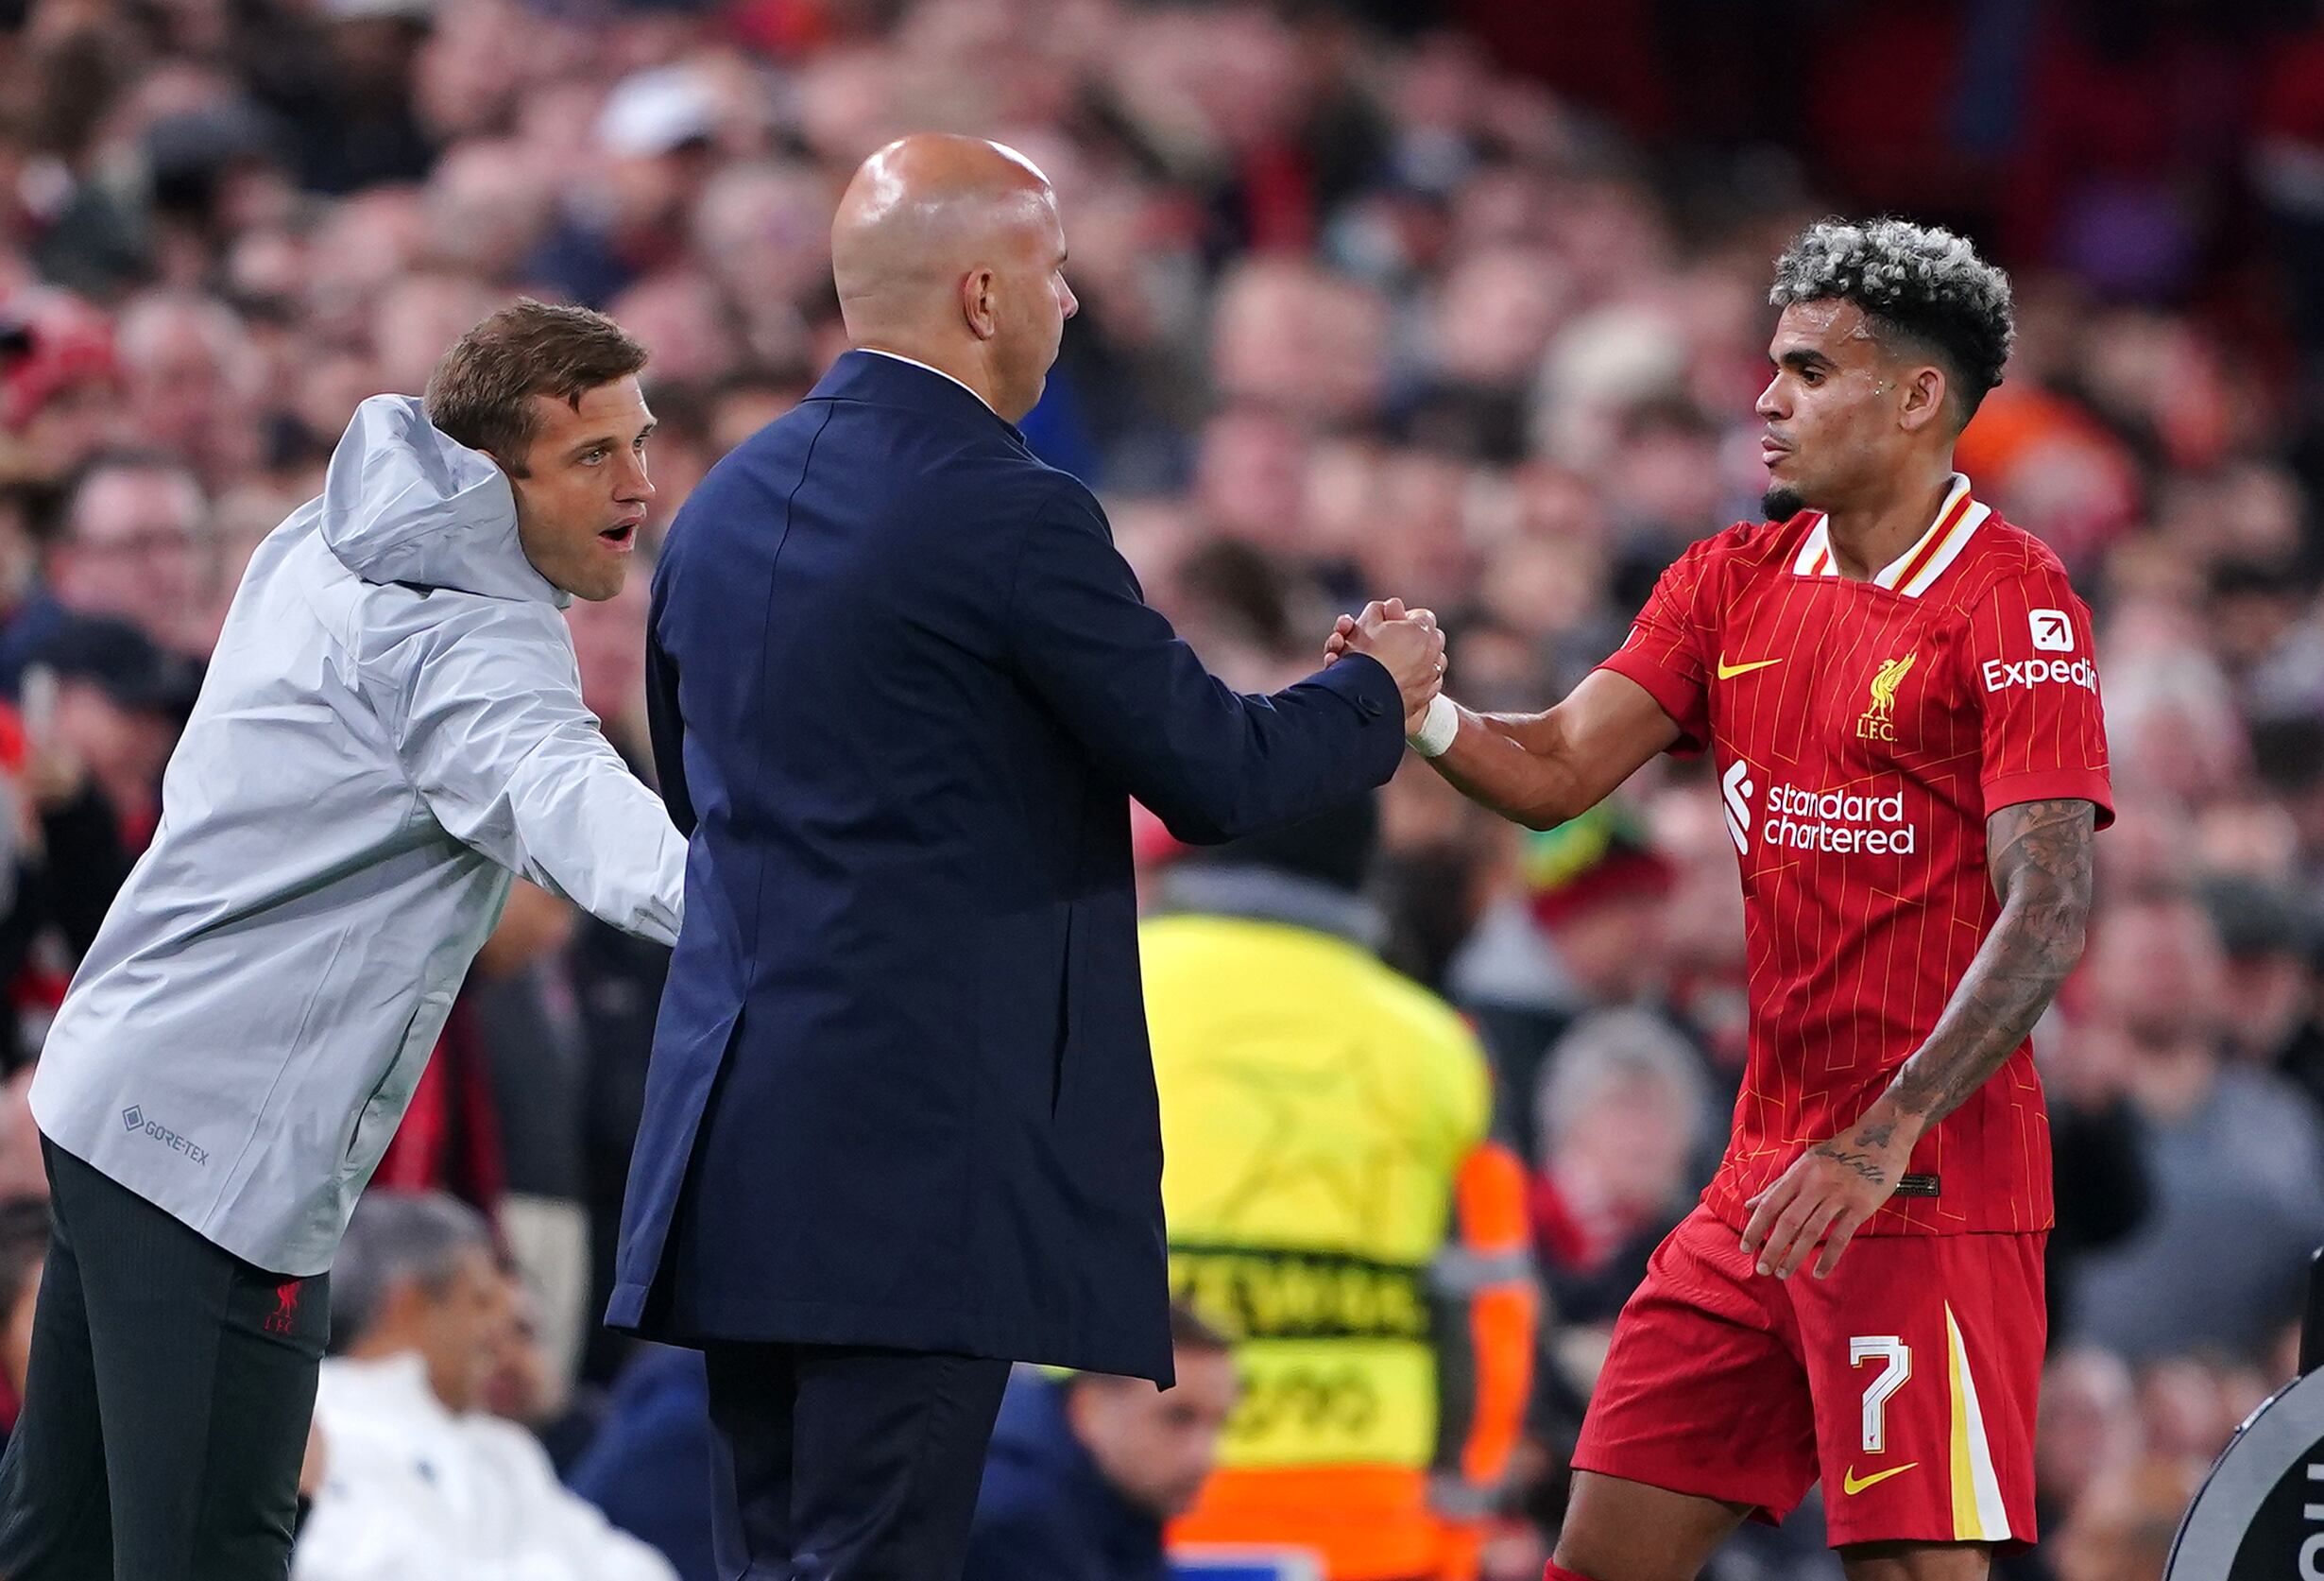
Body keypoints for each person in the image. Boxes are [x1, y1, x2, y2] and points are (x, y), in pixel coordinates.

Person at [608, 132, 1444, 1581]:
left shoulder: (720, 506)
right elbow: (1216, 771)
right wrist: (1381, 691)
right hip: (919, 1156)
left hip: (734, 1136)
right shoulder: (1007, 507)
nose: (1074, 306)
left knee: (768, 1558)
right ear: (984, 296)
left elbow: (694, 793)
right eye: (1056, 273)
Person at [1341, 219, 2111, 1581]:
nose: (1765, 398)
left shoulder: (2013, 597)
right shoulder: (1727, 583)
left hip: (1925, 1182)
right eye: (1771, 366)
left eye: (1810, 371)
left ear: (1917, 396)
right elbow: (1561, 768)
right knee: (1600, 1553)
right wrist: (1431, 715)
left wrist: (1885, 1133)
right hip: (1761, 1182)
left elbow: (2047, 904)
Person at [0, 300, 688, 1581]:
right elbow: (592, 823)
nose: (640, 486)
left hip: (113, 1093)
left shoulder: (326, 527)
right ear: (493, 476)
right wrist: (810, 916)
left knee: (61, 1543)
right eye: (594, 455)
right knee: (210, 1550)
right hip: (212, 1155)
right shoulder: (469, 649)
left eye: (641, 443)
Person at [1141, 795, 1537, 1581]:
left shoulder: (1105, 986)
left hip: (1130, 1484)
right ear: (1367, 868)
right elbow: (1488, 1297)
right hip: (1369, 1516)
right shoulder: (1439, 1045)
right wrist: (1462, 1511)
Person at [293, 1194, 675, 1581]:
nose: (498, 1332)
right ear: (407, 1303)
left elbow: (632, 1566)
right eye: (481, 1301)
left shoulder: (503, 1448)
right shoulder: (317, 1422)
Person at [963, 1307, 1242, 1581]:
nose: (1203, 1456)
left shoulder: (1122, 1502)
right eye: (1177, 1418)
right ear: (1089, 1408)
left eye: (1219, 1423)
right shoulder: (1015, 1515)